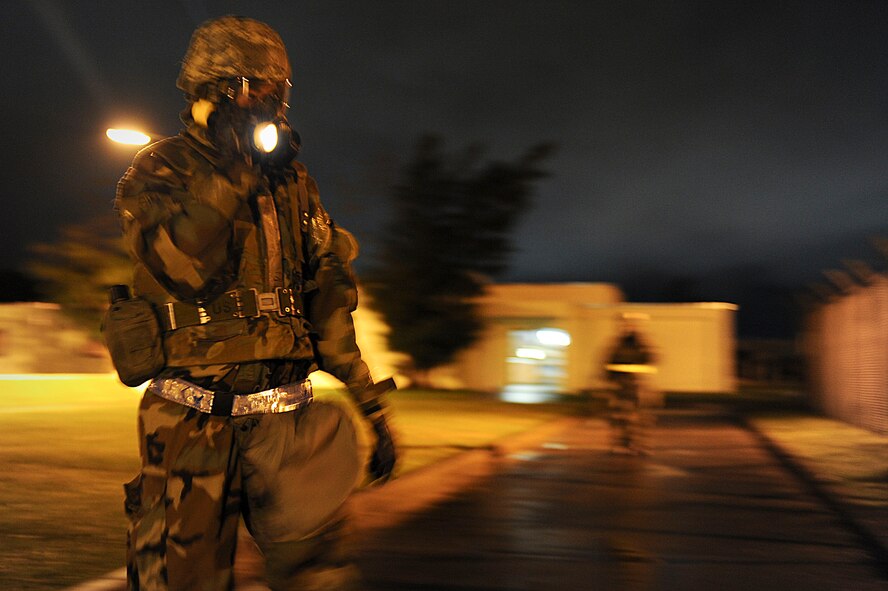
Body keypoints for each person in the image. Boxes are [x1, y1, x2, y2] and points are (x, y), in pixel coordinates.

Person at [111, 15, 396, 590]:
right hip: (192, 426)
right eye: (252, 86)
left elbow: (329, 306)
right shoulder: (158, 168)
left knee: (325, 579)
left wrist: (371, 403)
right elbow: (181, 267)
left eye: (273, 88)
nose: (266, 101)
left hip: (288, 424)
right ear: (214, 90)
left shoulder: (293, 183)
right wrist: (233, 168)